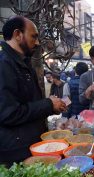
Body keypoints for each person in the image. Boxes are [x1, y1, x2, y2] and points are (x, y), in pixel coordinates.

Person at [0, 16, 67, 166]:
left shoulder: (22, 63)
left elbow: (28, 103)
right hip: (16, 153)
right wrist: (48, 105)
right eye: (33, 36)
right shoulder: (4, 64)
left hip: (30, 145)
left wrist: (51, 106)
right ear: (18, 35)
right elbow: (8, 113)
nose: (37, 43)